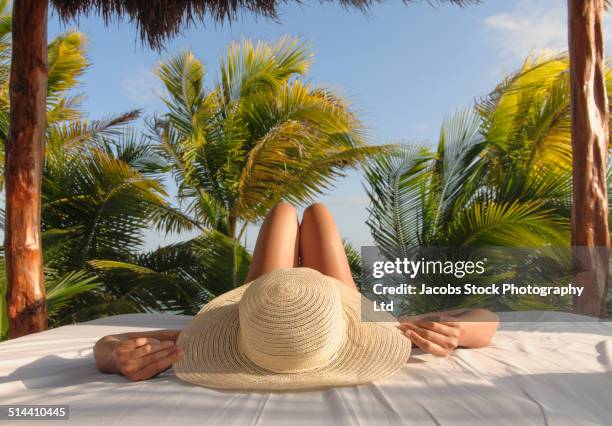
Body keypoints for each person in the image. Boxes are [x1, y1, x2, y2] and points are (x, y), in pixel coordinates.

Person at [94, 202, 499, 382]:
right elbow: (486, 317)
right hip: (337, 307)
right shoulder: (379, 331)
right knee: (315, 214)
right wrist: (459, 334)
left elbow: (110, 343)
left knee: (286, 213)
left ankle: (290, 224)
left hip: (273, 302)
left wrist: (115, 356)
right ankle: (302, 218)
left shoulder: (236, 326)